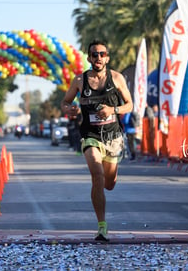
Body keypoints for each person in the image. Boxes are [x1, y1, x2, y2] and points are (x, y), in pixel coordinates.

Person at [61, 40, 133, 241]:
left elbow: (130, 105)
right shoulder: (79, 81)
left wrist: (113, 110)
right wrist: (70, 109)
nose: (98, 57)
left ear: (107, 57)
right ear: (89, 58)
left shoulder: (117, 79)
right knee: (97, 175)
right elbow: (65, 103)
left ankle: (108, 180)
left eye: (102, 54)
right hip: (90, 135)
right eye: (94, 54)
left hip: (113, 136)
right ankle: (102, 226)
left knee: (109, 184)